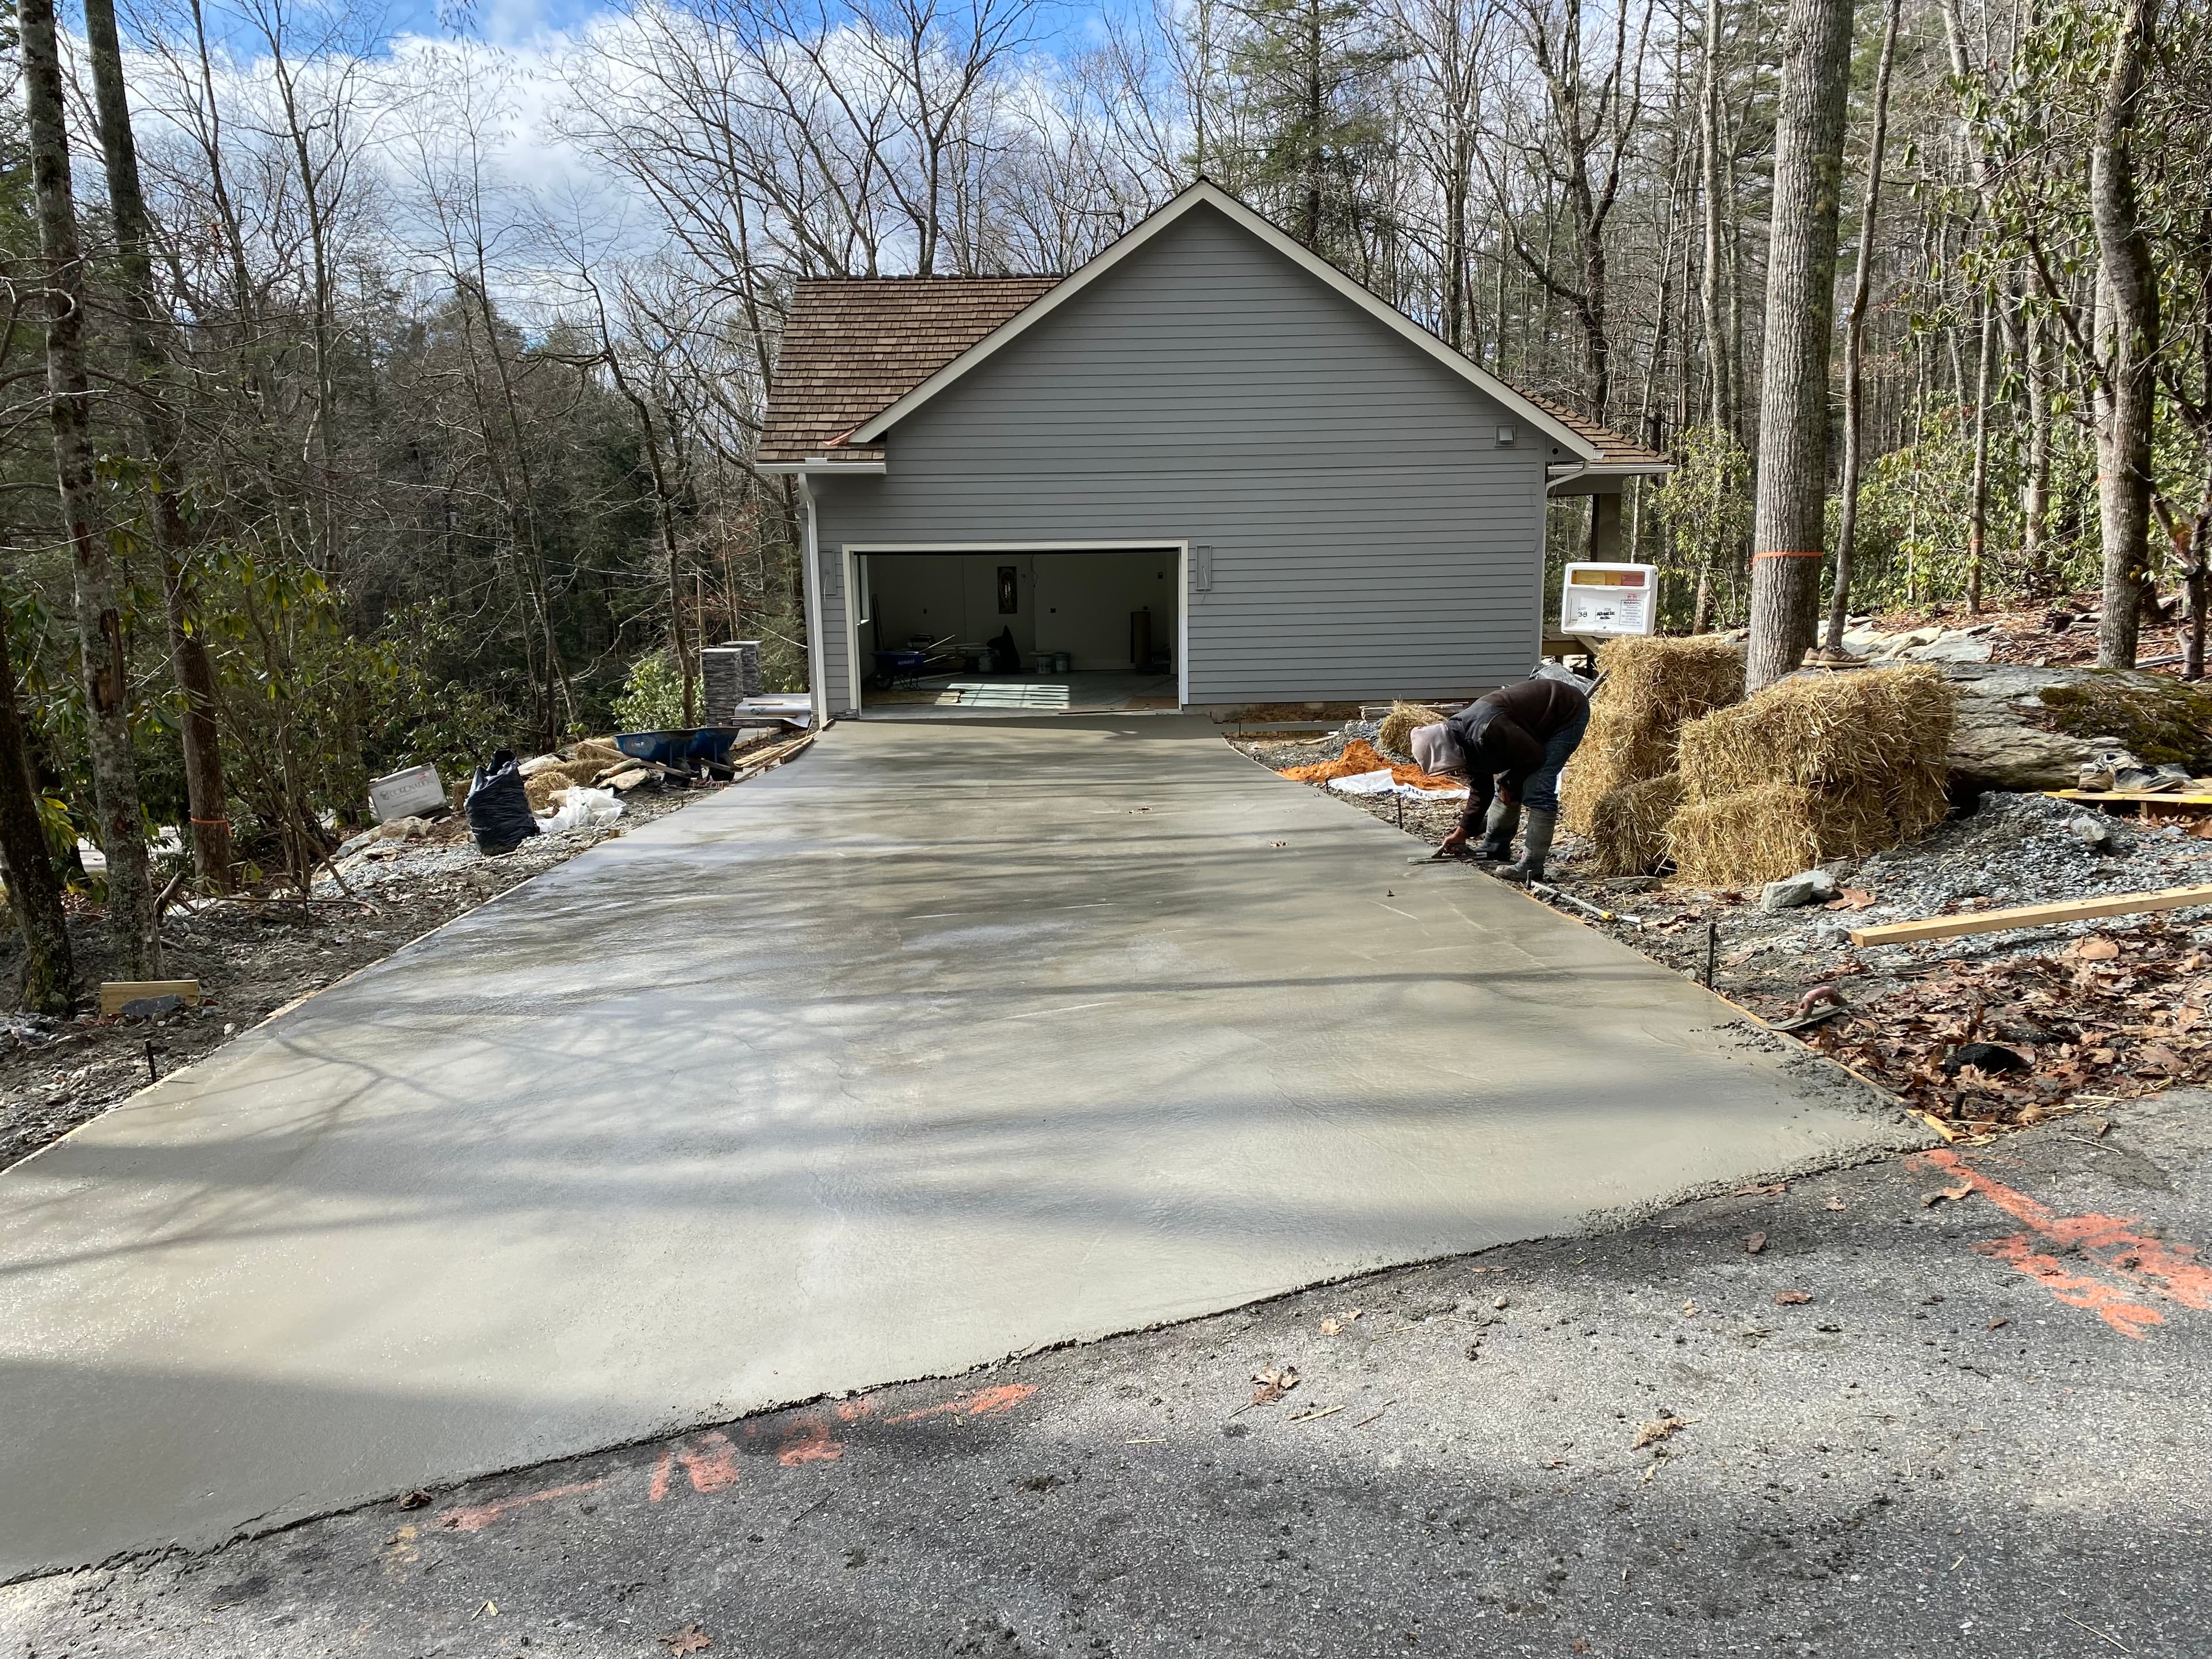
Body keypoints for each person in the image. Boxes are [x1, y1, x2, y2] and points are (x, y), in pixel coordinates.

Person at [1409, 675, 1590, 883]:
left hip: (1566, 712)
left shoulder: (1487, 730)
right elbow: (1481, 790)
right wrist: (1463, 832)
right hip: (1531, 726)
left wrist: (1510, 783)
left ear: (1448, 750)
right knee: (1507, 784)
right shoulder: (1461, 739)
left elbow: (1535, 756)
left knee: (1537, 786)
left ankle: (1532, 866)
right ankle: (1496, 847)